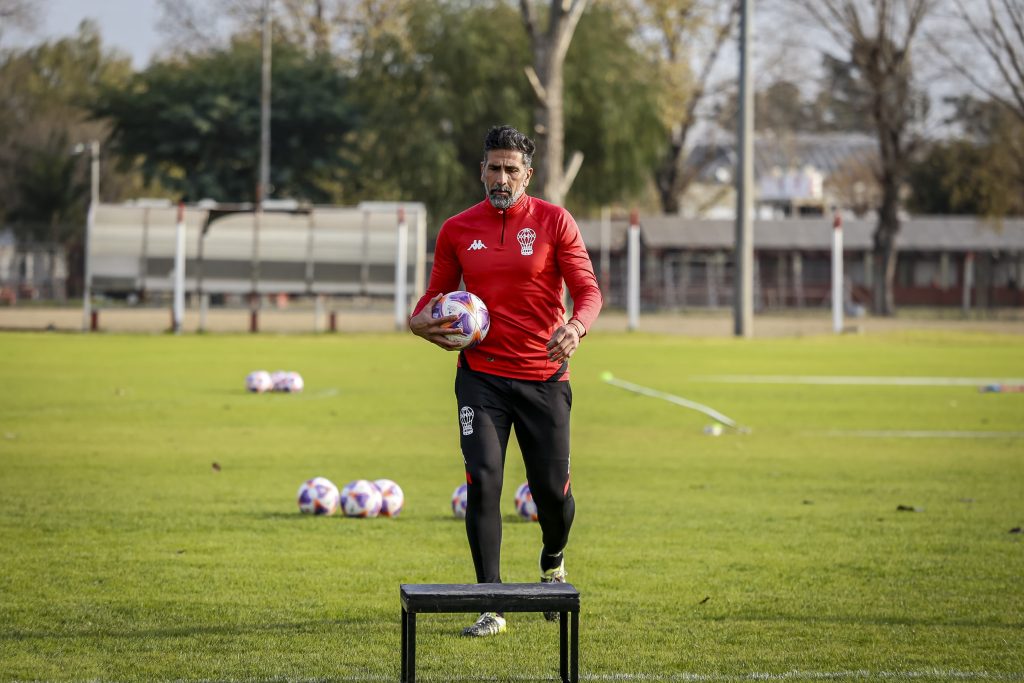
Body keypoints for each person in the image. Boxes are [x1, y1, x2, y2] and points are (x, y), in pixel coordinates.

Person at [409, 125, 602, 637]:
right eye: (493, 168)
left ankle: (553, 558)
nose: (501, 178)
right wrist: (419, 321)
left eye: (511, 170)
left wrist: (576, 327)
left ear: (527, 175)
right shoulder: (456, 229)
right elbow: (433, 298)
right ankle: (490, 603)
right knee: (483, 482)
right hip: (481, 378)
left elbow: (588, 290)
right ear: (482, 170)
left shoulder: (554, 222)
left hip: (544, 377)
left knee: (552, 496)